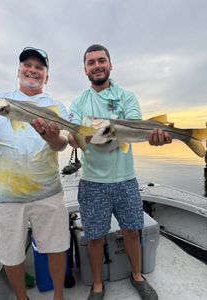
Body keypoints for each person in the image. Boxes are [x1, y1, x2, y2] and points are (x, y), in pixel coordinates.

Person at [68, 44, 172, 300]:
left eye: (101, 60)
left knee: (131, 230)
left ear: (110, 65)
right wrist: (77, 137)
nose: (97, 66)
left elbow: (136, 127)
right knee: (94, 236)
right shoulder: (79, 102)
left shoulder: (126, 96)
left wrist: (154, 135)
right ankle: (97, 286)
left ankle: (137, 276)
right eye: (91, 62)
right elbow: (72, 136)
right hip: (92, 181)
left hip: (125, 179)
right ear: (85, 69)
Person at [0, 47, 70, 300]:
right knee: (10, 253)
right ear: (18, 70)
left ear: (46, 76)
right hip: (4, 195)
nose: (33, 70)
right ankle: (22, 298)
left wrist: (54, 138)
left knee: (56, 247)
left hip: (47, 192)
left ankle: (59, 297)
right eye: (27, 65)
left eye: (39, 67)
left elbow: (62, 144)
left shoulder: (55, 106)